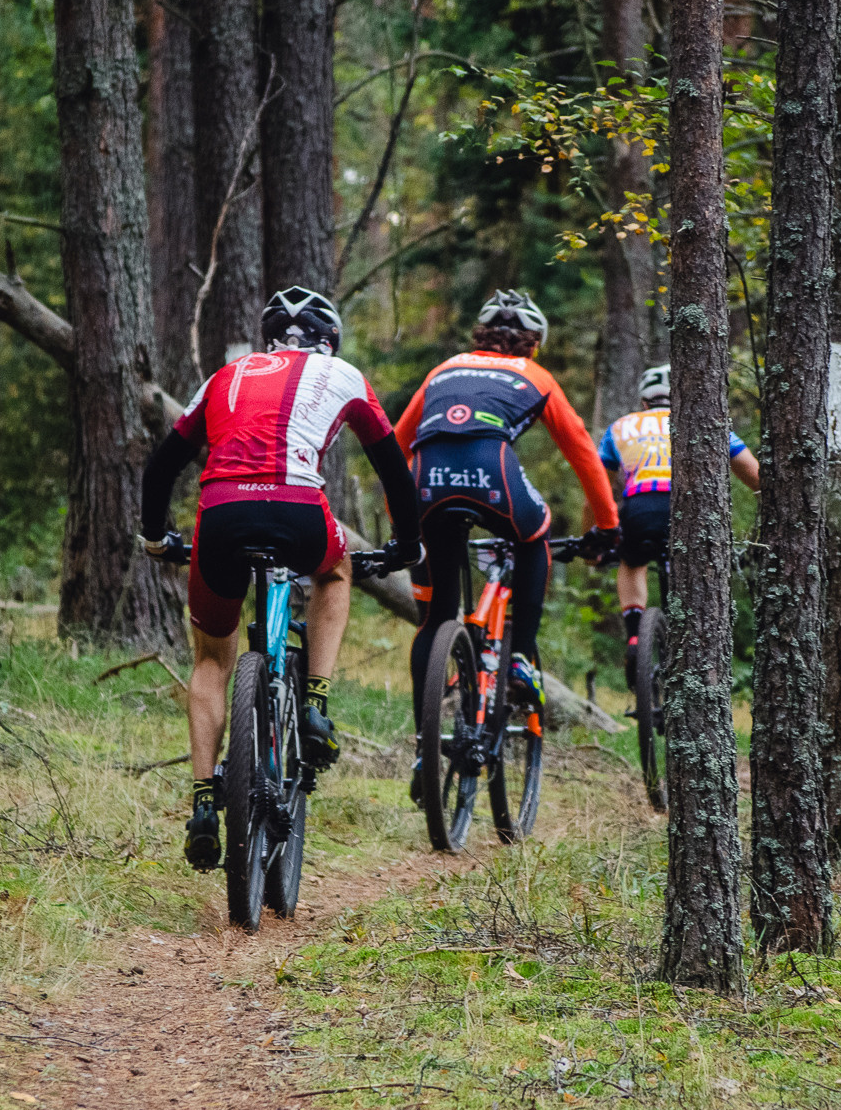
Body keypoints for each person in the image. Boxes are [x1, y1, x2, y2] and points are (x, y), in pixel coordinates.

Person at [140, 287, 421, 871]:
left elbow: (164, 462)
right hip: (299, 511)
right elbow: (392, 465)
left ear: (269, 338)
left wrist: (154, 537)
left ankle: (200, 802)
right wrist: (408, 543)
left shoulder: (227, 373)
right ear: (330, 340)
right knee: (336, 570)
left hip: (219, 514)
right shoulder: (341, 373)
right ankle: (315, 702)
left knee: (212, 662)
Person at [394, 290, 621, 728]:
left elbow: (396, 444)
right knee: (535, 534)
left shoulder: (444, 369)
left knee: (435, 620)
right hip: (490, 469)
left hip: (425, 480)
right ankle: (518, 659)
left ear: (480, 336)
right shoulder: (536, 375)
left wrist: (402, 524)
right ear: (534, 343)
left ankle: (426, 750)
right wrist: (608, 527)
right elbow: (584, 455)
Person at [597, 363, 762, 678]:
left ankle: (635, 633)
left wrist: (597, 534)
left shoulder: (622, 426)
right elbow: (754, 477)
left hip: (640, 505)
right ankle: (697, 648)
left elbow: (599, 487)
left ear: (645, 402)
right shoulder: (709, 422)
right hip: (691, 509)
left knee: (632, 562)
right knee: (698, 570)